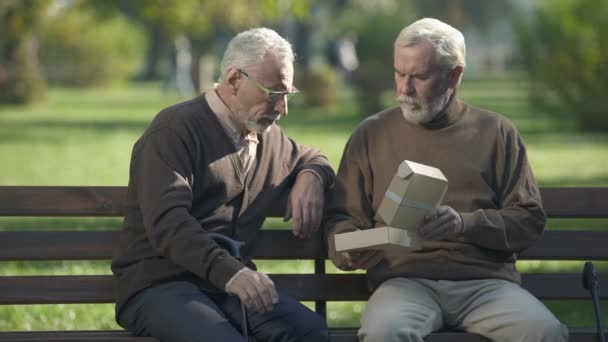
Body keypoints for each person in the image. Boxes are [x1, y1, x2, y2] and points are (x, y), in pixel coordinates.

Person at [323, 18, 568, 342]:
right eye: (399, 73)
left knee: (545, 333)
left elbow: (529, 219)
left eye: (420, 77)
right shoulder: (371, 134)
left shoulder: (496, 133)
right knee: (384, 332)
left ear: (455, 75)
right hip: (403, 283)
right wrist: (349, 249)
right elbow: (342, 219)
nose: (404, 89)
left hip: (486, 285)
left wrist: (464, 224)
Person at [112, 27, 334, 342]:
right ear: (234, 80)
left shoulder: (267, 137)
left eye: (287, 94)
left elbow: (313, 158)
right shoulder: (173, 131)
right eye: (274, 92)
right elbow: (168, 224)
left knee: (311, 332)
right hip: (158, 284)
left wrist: (312, 176)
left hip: (226, 286)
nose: (283, 108)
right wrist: (231, 274)